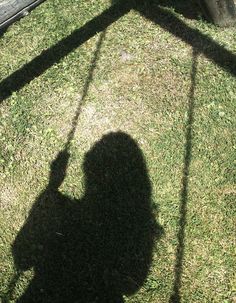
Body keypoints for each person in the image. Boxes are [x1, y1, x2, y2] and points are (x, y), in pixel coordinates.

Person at [12, 131, 163, 302]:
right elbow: (130, 286)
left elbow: (21, 257)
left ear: (89, 171)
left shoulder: (62, 213)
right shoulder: (134, 232)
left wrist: (52, 187)